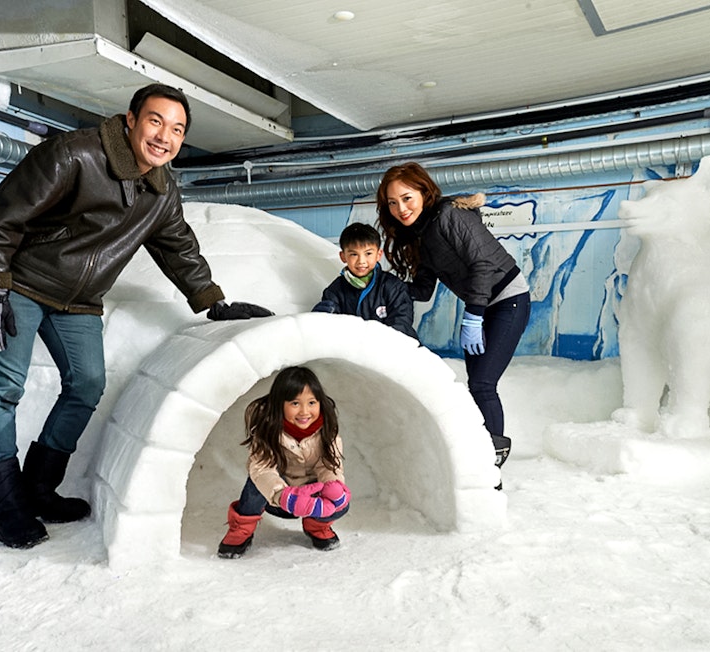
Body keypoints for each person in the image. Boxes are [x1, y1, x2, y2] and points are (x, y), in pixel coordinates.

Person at [0, 83, 272, 549]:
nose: (165, 136)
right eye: (156, 121)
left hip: (80, 300)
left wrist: (212, 301)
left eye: (178, 129)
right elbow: (4, 215)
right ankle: (6, 503)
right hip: (21, 283)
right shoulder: (72, 155)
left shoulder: (162, 189)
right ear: (131, 120)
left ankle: (40, 488)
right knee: (3, 389)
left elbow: (177, 246)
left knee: (86, 386)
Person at [376, 162, 529, 485]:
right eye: (392, 203)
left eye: (407, 198)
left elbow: (483, 265)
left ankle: (490, 472)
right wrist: (380, 284)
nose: (400, 208)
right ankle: (482, 461)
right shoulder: (419, 235)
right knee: (477, 387)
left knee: (484, 384)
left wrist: (473, 315)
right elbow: (422, 289)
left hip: (508, 300)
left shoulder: (449, 216)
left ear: (423, 191)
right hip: (484, 306)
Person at [218, 366, 349, 558]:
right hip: (278, 497)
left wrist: (333, 485)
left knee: (339, 501)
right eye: (295, 403)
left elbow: (330, 464)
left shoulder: (327, 430)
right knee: (255, 483)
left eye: (311, 402)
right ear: (280, 404)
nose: (305, 411)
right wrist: (282, 494)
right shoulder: (267, 428)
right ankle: (241, 529)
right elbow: (262, 468)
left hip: (311, 497)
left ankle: (317, 525)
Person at [312, 222, 418, 340]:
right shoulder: (335, 291)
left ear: (378, 254)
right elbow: (328, 326)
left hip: (392, 350)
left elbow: (402, 322)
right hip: (354, 353)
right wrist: (321, 316)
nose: (361, 261)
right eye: (353, 254)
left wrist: (375, 344)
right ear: (343, 256)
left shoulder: (393, 287)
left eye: (368, 253)